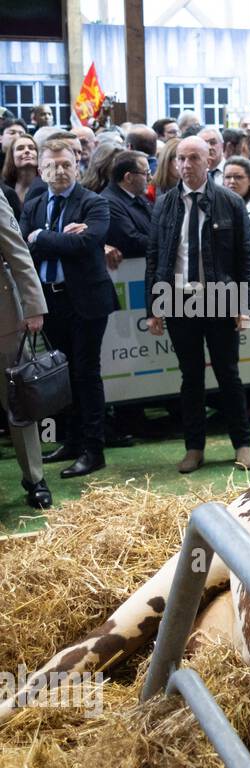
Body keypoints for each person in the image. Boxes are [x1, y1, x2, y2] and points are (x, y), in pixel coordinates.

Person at [144, 136, 250, 473]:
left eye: (193, 158)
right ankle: (194, 448)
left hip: (221, 298)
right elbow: (155, 258)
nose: (186, 165)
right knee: (190, 377)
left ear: (210, 160)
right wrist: (153, 307)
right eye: (181, 158)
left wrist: (244, 304)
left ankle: (243, 444)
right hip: (178, 300)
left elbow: (246, 256)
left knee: (229, 375)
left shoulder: (230, 201)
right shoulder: (164, 204)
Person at [20, 139, 117, 478]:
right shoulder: (33, 204)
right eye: (52, 165)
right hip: (49, 301)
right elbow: (23, 250)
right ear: (41, 169)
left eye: (66, 163)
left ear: (78, 164)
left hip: (87, 302)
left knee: (85, 374)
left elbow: (86, 243)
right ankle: (73, 441)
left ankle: (94, 449)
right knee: (62, 378)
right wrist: (59, 238)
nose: (59, 170)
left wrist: (42, 237)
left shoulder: (94, 202)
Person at [0, 192, 52, 508]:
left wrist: (33, 306)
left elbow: (18, 251)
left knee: (17, 403)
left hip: (4, 320)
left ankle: (35, 478)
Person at [102, 150, 152, 267]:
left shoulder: (138, 196)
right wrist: (166, 242)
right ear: (128, 177)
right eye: (146, 173)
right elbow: (131, 240)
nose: (150, 178)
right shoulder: (109, 203)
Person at [2, 134, 41, 210]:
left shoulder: (48, 186)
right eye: (20, 148)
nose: (27, 151)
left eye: (32, 148)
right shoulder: (4, 188)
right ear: (11, 156)